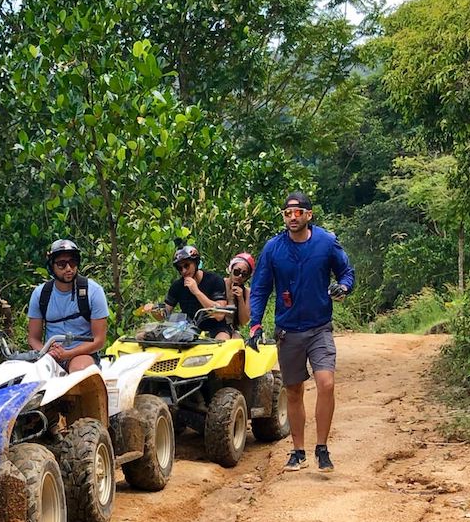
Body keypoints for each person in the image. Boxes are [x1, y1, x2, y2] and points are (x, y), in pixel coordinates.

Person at [248, 190, 354, 474]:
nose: (292, 218)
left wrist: (343, 288)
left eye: (298, 213)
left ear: (309, 215)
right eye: (287, 213)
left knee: (326, 383)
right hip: (288, 330)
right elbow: (259, 289)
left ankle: (322, 448)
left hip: (319, 326)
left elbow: (347, 273)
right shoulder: (273, 248)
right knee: (293, 390)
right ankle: (298, 452)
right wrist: (255, 324)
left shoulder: (326, 242)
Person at [26, 239, 110, 371]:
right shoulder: (40, 294)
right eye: (61, 264)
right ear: (51, 266)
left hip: (82, 354)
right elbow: (33, 338)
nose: (68, 268)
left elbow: (99, 340)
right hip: (49, 356)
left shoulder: (93, 291)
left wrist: (68, 354)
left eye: (72, 262)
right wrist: (46, 353)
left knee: (79, 371)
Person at [140, 245, 233, 339]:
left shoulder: (215, 280)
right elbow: (165, 314)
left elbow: (220, 315)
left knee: (222, 340)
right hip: (187, 327)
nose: (184, 271)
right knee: (143, 336)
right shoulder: (177, 286)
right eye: (180, 268)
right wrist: (154, 311)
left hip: (215, 327)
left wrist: (196, 291)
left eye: (186, 265)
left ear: (196, 263)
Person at [225, 251, 256, 329]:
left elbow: (244, 321)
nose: (239, 276)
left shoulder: (247, 292)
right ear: (231, 269)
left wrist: (240, 299)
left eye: (244, 275)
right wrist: (230, 299)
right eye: (236, 272)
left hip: (233, 329)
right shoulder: (220, 284)